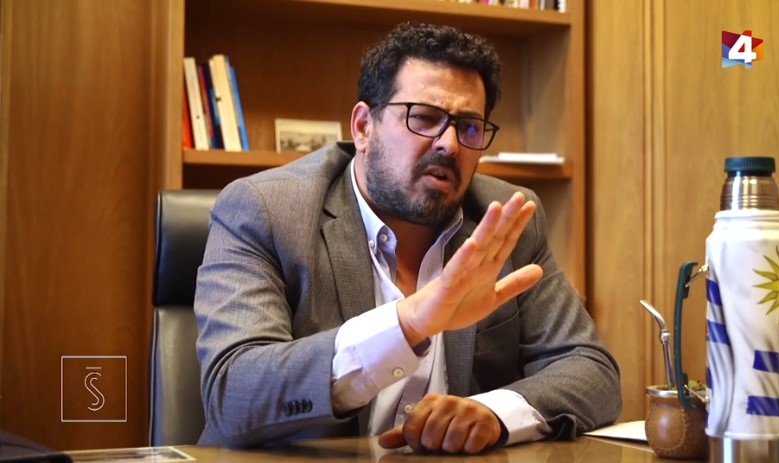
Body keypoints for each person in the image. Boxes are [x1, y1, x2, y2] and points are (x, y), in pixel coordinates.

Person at [194, 22, 622, 453]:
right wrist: (408, 323)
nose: (450, 145)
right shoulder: (266, 210)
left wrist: (493, 413)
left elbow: (591, 371)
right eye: (425, 118)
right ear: (364, 127)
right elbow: (232, 393)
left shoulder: (507, 219)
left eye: (469, 127)